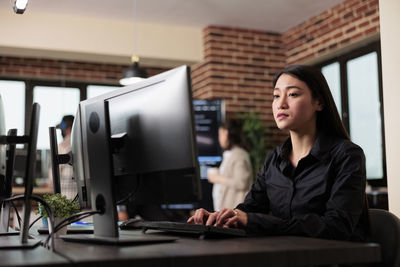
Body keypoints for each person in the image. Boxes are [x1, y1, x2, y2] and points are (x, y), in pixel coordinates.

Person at [188, 65, 370, 241]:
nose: (281, 104)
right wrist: (221, 218)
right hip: (286, 256)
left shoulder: (347, 155)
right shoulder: (273, 160)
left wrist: (257, 221)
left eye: (292, 94)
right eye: (276, 96)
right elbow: (250, 210)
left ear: (319, 102)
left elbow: (336, 228)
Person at [208, 119, 252, 211]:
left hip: (234, 212)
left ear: (226, 134)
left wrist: (218, 178)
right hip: (227, 210)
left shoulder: (239, 155)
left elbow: (241, 183)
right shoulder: (230, 154)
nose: (219, 138)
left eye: (220, 134)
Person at [49, 115, 77, 200]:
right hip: (84, 200)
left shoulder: (61, 147)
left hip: (66, 200)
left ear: (66, 129)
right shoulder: (85, 145)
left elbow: (52, 179)